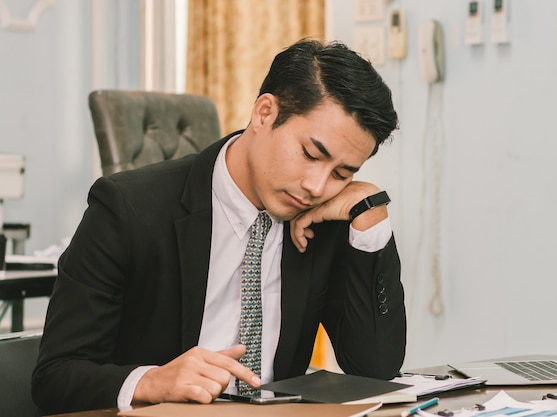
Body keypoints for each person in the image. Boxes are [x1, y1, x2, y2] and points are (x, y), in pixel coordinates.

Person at [32, 38, 406, 414]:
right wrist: (151, 381)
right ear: (264, 113)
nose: (317, 186)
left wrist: (370, 214)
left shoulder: (323, 216)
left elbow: (375, 367)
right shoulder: (127, 208)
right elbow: (55, 378)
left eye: (342, 173)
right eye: (310, 154)